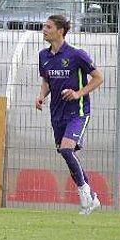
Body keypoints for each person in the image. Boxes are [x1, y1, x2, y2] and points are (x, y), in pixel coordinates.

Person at [36, 14, 104, 215]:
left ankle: (84, 192)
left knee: (67, 150)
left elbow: (98, 77)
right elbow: (47, 81)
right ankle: (92, 198)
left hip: (78, 112)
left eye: (48, 27)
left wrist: (78, 93)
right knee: (67, 154)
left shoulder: (76, 55)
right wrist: (41, 96)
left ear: (60, 31)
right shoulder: (43, 56)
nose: (44, 30)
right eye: (44, 26)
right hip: (57, 114)